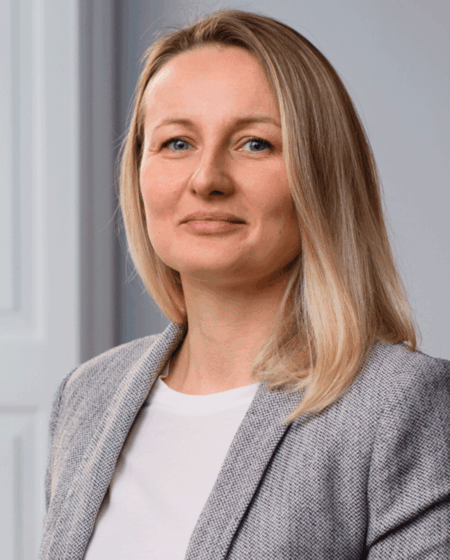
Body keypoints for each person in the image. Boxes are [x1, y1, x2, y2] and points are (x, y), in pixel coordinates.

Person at [40, 9, 450, 560]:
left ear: (320, 176)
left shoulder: (399, 404)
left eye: (255, 144)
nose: (207, 178)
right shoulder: (87, 396)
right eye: (177, 143)